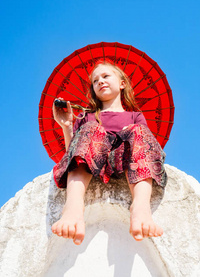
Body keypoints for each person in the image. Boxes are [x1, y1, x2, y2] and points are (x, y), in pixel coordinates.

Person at [51, 60, 167, 245]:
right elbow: (75, 154)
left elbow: (145, 148)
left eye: (106, 76)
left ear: (122, 84)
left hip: (125, 159)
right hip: (95, 159)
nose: (100, 81)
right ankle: (73, 206)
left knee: (138, 131)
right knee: (90, 129)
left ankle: (140, 206)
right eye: (95, 81)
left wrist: (130, 130)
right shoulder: (86, 117)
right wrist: (67, 127)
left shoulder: (135, 116)